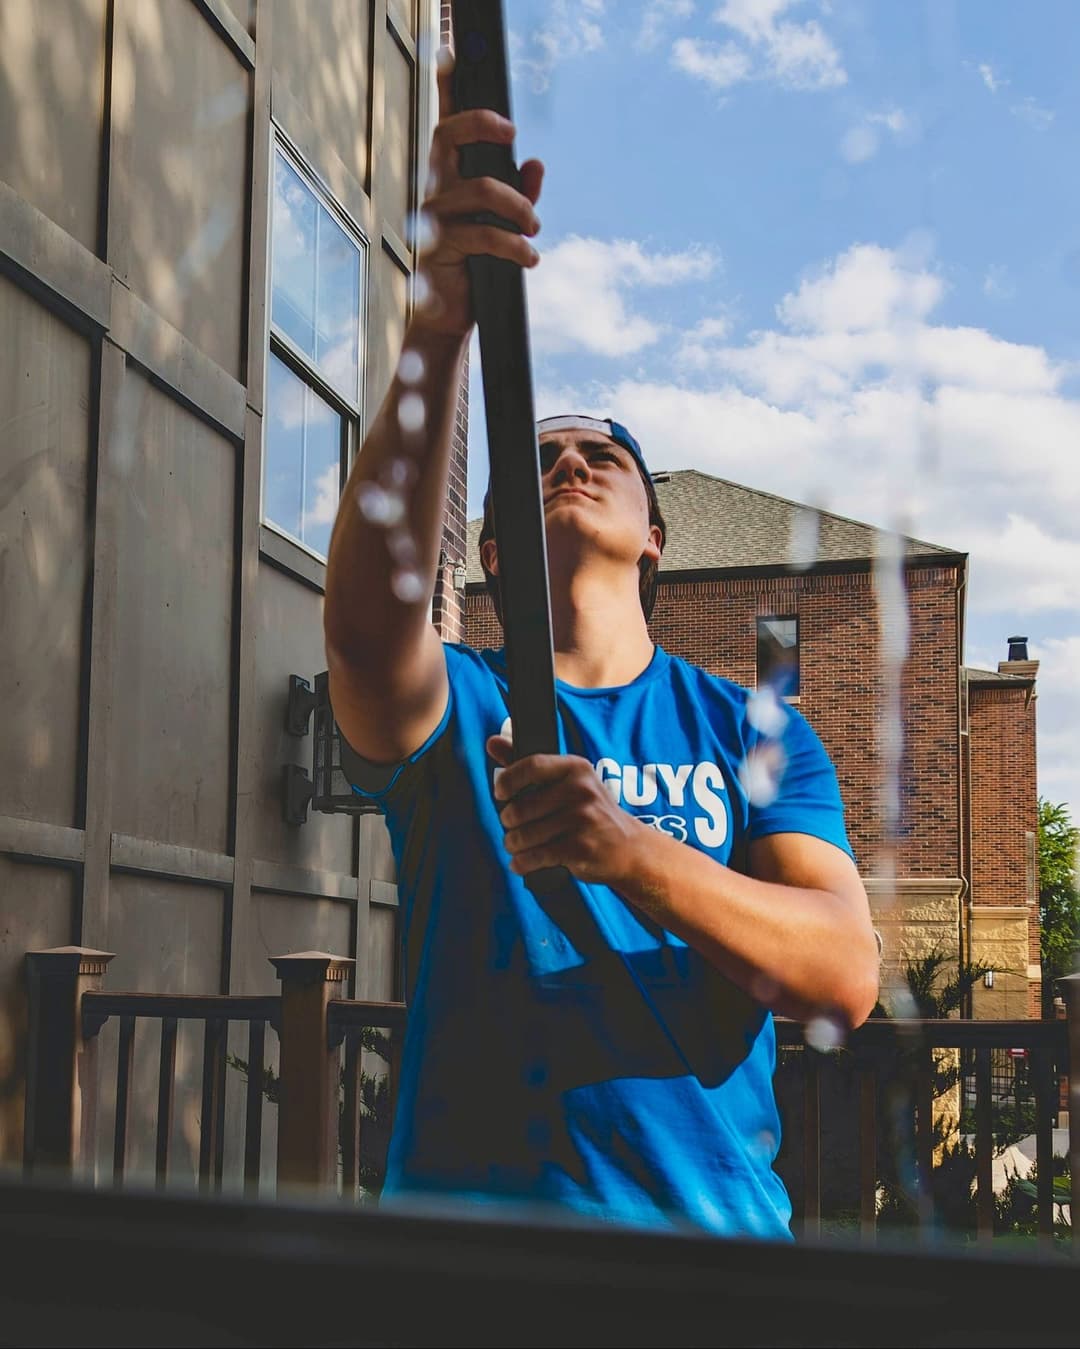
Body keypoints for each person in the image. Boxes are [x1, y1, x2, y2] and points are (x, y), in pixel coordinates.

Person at [324, 56, 879, 1239]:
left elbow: (841, 971)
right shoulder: (461, 705)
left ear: (657, 539)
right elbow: (371, 637)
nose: (569, 461)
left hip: (710, 1262)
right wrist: (437, 324)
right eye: (539, 459)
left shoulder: (752, 728)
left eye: (603, 456)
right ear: (484, 541)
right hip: (466, 1271)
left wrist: (627, 851)